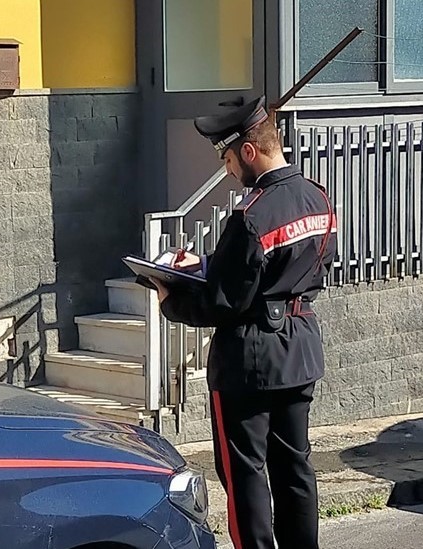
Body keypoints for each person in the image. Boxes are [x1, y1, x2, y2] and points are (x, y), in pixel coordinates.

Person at [150, 96, 337, 549]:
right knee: (295, 467)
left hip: (249, 363)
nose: (229, 170)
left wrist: (169, 297)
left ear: (249, 152)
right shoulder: (318, 197)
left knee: (245, 474)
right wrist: (207, 262)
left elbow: (221, 303)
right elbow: (293, 266)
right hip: (299, 349)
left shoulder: (250, 216)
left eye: (229, 159)